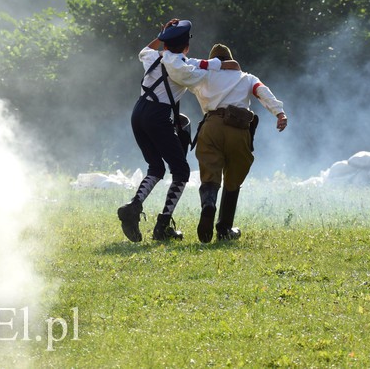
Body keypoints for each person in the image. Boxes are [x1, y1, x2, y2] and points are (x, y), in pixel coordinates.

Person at [117, 19, 239, 243]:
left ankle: (132, 208)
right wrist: (224, 65)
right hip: (157, 116)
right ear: (187, 46)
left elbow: (145, 51)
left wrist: (161, 35)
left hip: (138, 113)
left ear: (165, 44)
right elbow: (201, 71)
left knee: (156, 167)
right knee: (181, 172)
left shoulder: (156, 56)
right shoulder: (183, 70)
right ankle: (162, 226)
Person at [188, 43, 288, 243]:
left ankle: (208, 205)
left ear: (215, 61)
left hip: (211, 126)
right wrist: (279, 113)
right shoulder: (247, 78)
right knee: (233, 178)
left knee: (210, 174)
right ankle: (224, 229)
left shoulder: (204, 76)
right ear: (230, 59)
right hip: (238, 129)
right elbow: (262, 92)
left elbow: (181, 78)